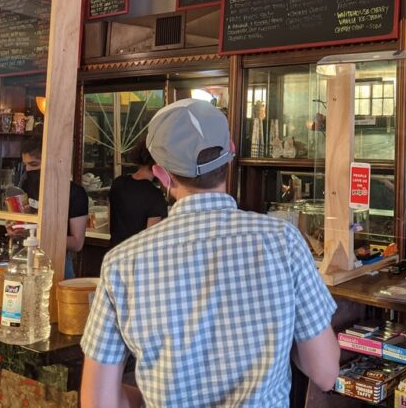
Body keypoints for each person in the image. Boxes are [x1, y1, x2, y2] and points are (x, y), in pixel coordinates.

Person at [81, 99, 339, 407]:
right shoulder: (283, 241)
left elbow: (99, 402)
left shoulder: (122, 263)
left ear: (162, 175)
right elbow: (325, 373)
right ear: (231, 151)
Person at [7, 137, 88, 279]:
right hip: (26, 258)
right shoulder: (27, 186)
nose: (28, 170)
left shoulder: (75, 193)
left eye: (34, 164)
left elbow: (77, 243)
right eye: (25, 165)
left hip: (57, 261)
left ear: (52, 162)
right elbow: (23, 219)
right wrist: (15, 227)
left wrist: (34, 234)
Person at [108, 139, 167, 248]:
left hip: (114, 250)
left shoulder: (118, 183)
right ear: (158, 162)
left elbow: (111, 224)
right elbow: (151, 239)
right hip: (137, 253)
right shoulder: (155, 195)